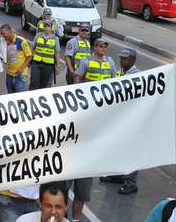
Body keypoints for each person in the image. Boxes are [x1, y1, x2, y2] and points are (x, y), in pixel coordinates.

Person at [70, 38, 117, 222]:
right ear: (94, 47)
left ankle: (75, 219)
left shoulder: (111, 62)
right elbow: (77, 76)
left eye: (105, 46)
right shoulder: (86, 61)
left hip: (103, 106)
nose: (103, 48)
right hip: (88, 102)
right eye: (100, 45)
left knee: (82, 192)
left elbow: (114, 80)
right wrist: (77, 93)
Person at [100, 47, 141, 194]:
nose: (122, 61)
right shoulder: (121, 72)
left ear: (133, 60)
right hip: (120, 118)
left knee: (131, 150)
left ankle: (130, 182)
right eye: (121, 58)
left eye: (125, 59)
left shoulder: (137, 76)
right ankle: (118, 175)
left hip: (132, 119)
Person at [0, 24, 32, 94]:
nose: (2, 36)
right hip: (9, 74)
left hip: (20, 74)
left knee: (19, 97)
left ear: (10, 32)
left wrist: (21, 69)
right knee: (10, 95)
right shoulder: (4, 41)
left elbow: (29, 56)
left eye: (3, 33)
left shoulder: (21, 41)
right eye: (1, 34)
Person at [30, 20, 60, 90]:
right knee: (34, 83)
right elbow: (32, 49)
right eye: (45, 26)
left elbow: (57, 53)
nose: (46, 28)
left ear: (51, 28)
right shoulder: (38, 36)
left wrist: (57, 66)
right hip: (36, 64)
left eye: (48, 26)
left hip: (48, 66)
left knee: (44, 85)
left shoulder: (55, 39)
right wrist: (29, 61)